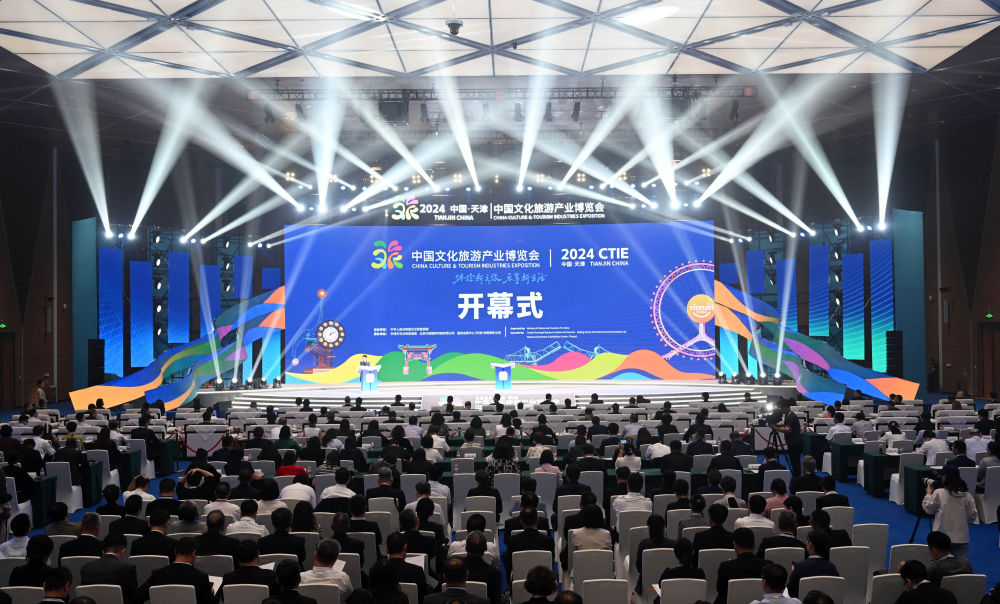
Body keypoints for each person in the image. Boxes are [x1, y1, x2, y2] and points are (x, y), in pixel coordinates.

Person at [136, 537, 214, 604]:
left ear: (175, 551)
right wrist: (210, 593)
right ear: (193, 553)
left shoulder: (157, 574)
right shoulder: (201, 577)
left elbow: (138, 596)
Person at [921, 466, 977, 558]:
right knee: (960, 564)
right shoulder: (967, 495)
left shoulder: (939, 493)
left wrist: (928, 495)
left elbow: (928, 510)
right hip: (961, 537)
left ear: (944, 476)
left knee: (940, 564)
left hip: (941, 537)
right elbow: (972, 516)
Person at [80, 534, 138, 604]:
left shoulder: (86, 568)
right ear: (122, 551)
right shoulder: (128, 569)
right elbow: (134, 598)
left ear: (103, 551)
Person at [716, 527, 769, 604]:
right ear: (754, 545)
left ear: (734, 545)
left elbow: (721, 591)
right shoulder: (768, 566)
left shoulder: (725, 567)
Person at [786, 530, 839, 598]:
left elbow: (790, 592)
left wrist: (794, 572)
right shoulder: (832, 567)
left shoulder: (800, 567)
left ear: (810, 544)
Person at [387, 531, 428, 602]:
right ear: (405, 547)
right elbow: (422, 596)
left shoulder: (377, 570)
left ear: (387, 550)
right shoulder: (417, 571)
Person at [774, 400, 803, 476]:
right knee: (794, 461)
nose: (780, 410)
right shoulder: (789, 415)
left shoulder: (790, 416)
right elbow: (787, 425)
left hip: (794, 443)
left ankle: (796, 477)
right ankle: (796, 476)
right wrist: (778, 425)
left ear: (786, 408)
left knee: (795, 462)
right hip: (793, 442)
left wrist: (775, 427)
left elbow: (787, 430)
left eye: (781, 408)